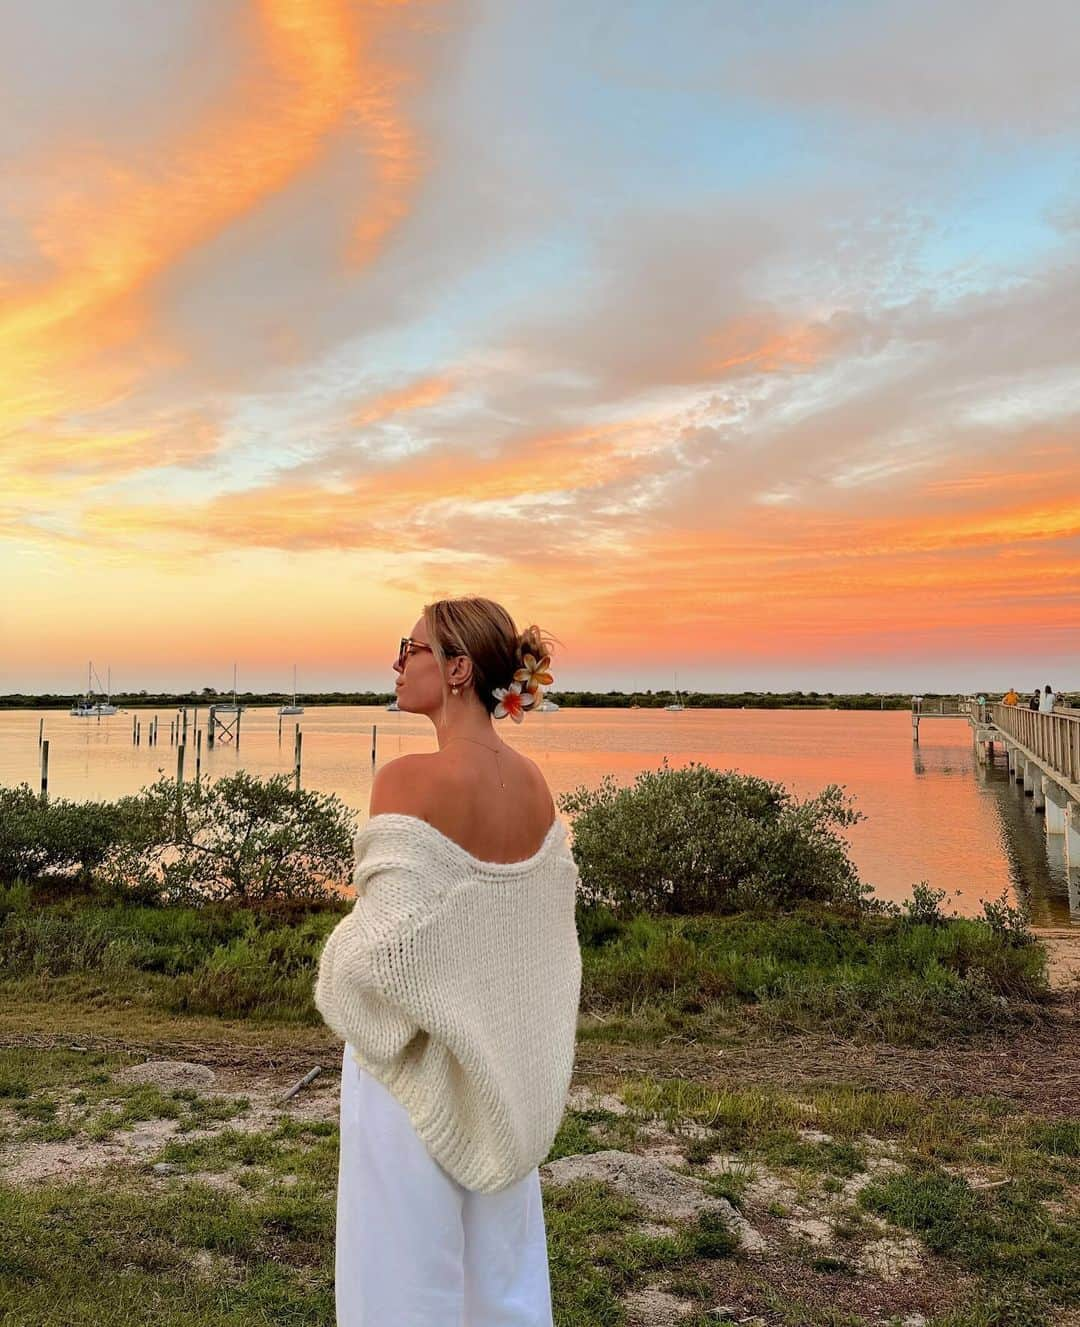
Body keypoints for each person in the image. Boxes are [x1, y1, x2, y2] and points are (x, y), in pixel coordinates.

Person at [314, 596, 581, 1326]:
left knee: (397, 1274)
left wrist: (338, 972)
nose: (397, 663)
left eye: (413, 647)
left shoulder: (405, 781)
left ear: (459, 669)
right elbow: (534, 942)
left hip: (412, 1075)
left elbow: (383, 952)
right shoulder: (534, 787)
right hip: (500, 1068)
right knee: (502, 1276)